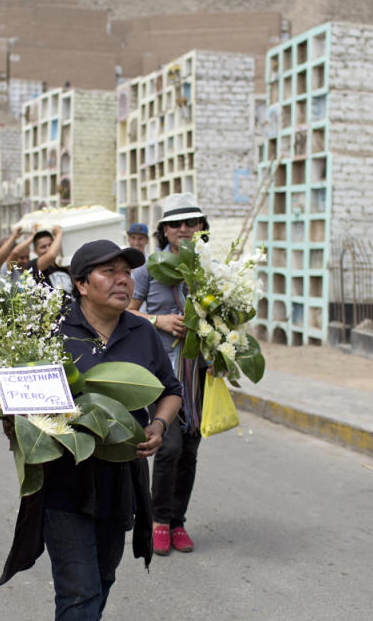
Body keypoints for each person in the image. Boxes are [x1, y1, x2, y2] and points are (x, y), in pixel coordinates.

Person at [0, 239, 183, 620]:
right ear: (81, 284)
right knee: (79, 592)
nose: (123, 281)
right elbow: (13, 393)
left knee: (103, 577)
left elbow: (171, 390)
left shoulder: (141, 332)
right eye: (109, 272)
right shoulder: (50, 330)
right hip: (64, 478)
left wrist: (160, 424)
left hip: (121, 477)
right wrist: (15, 423)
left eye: (126, 273)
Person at [127, 192, 210, 557]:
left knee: (190, 449)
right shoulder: (148, 270)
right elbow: (126, 314)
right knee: (170, 446)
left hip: (198, 374)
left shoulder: (210, 270)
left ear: (201, 227)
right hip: (163, 376)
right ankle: (159, 520)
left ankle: (178, 521)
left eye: (191, 223)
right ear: (164, 230)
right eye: (176, 224)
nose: (185, 230)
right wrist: (157, 319)